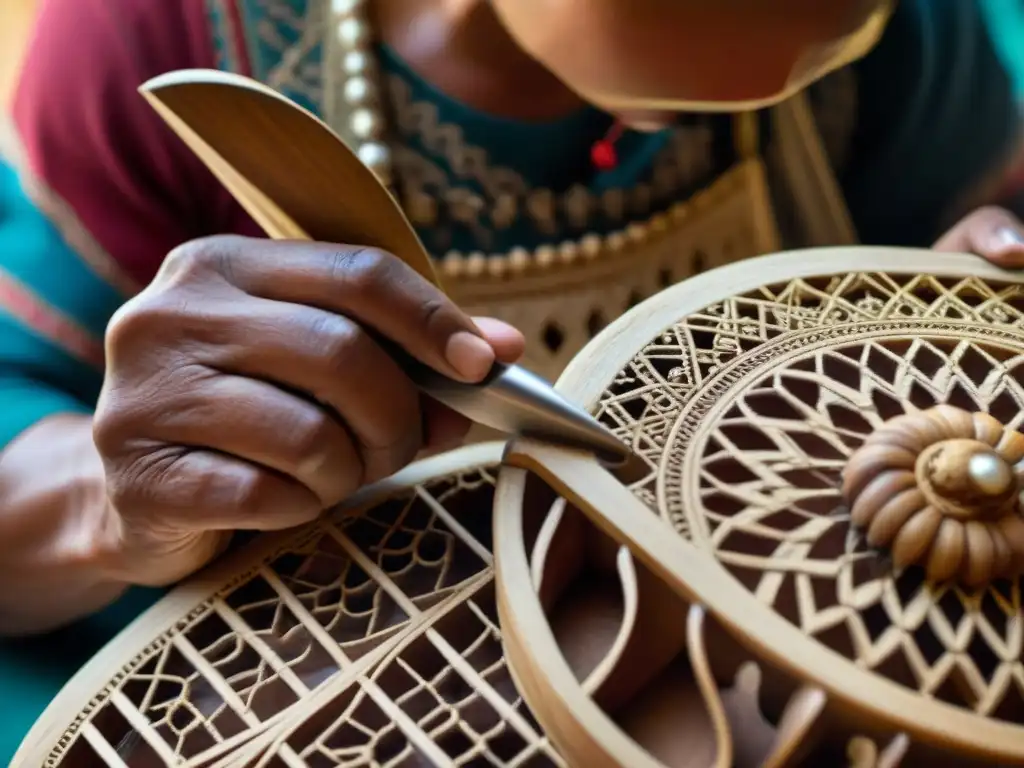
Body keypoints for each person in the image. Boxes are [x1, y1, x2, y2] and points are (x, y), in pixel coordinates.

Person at [0, 0, 1022, 759]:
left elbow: (969, 236)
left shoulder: (904, 40)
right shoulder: (157, 35)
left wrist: (936, 320)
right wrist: (113, 503)